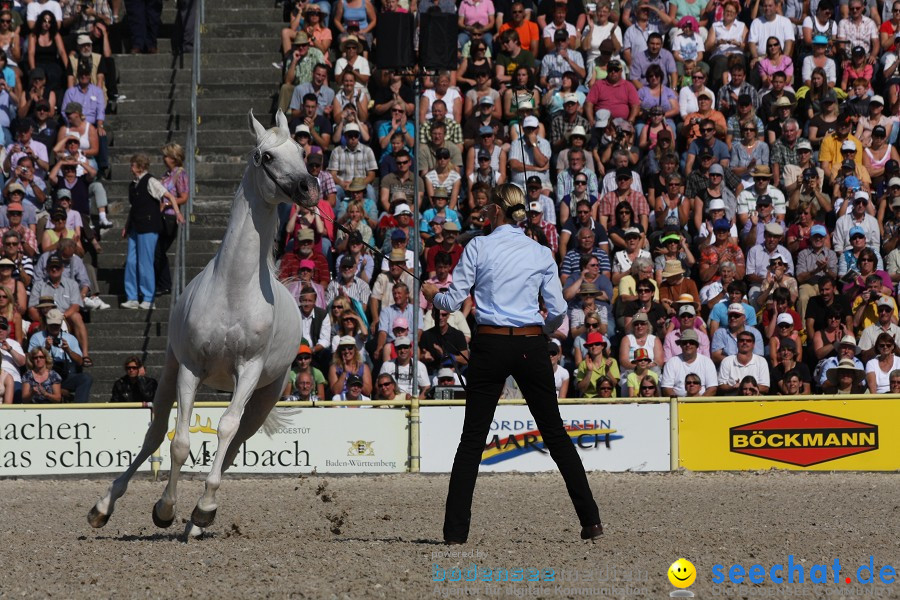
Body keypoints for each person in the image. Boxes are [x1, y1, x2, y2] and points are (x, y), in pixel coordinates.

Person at [423, 183, 603, 544]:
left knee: (472, 439)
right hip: (529, 344)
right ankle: (591, 520)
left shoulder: (478, 245)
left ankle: (456, 532)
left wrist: (432, 294)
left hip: (489, 342)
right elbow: (556, 313)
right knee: (554, 433)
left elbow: (452, 301)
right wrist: (540, 329)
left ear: (496, 211)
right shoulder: (540, 252)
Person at [121, 153, 182, 310]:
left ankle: (148, 297)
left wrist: (178, 213)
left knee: (145, 262)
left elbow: (169, 196)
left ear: (140, 166)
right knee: (131, 262)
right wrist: (127, 226)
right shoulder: (133, 185)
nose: (131, 168)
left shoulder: (151, 181)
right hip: (135, 226)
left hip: (149, 227)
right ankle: (132, 297)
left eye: (133, 165)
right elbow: (133, 208)